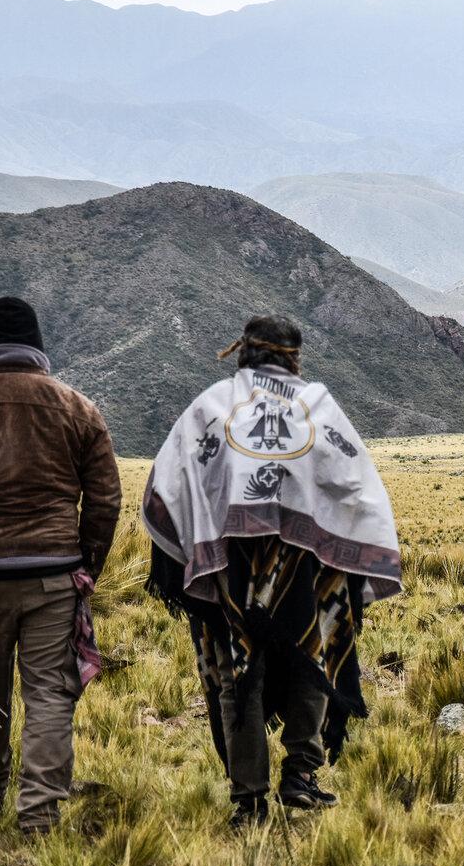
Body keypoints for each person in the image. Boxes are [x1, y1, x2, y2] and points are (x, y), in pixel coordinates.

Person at [142, 316, 401, 827]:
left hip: (228, 566)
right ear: (293, 357)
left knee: (240, 670)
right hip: (308, 565)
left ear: (243, 352)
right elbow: (356, 487)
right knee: (313, 656)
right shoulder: (318, 408)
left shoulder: (212, 407)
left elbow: (168, 485)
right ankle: (301, 774)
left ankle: (249, 798)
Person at [0, 297, 122, 834]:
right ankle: (38, 813)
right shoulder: (77, 408)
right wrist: (86, 568)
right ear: (38, 348)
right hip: (54, 577)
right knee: (49, 696)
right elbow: (105, 501)